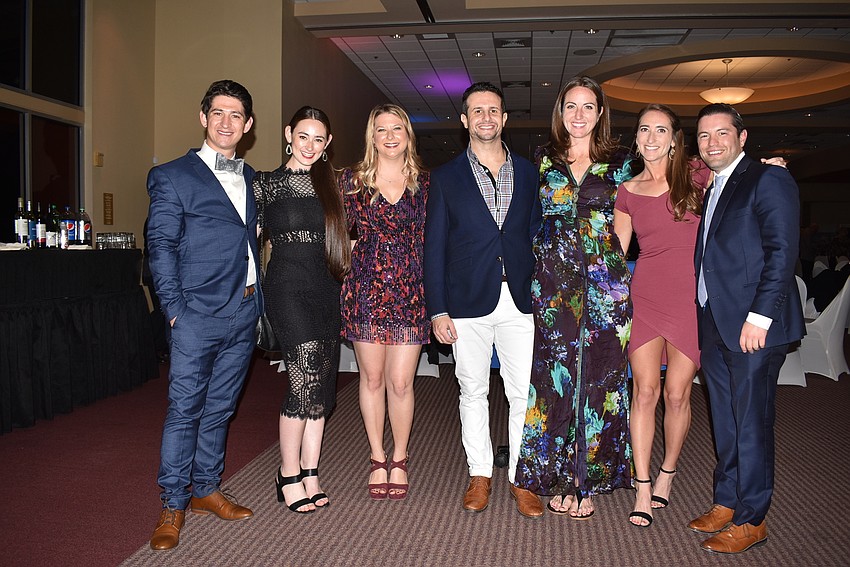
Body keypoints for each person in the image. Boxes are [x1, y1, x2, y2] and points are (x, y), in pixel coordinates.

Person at [146, 80, 262, 550]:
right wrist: (174, 311)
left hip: (246, 307)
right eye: (218, 113)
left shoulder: (252, 177)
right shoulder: (172, 175)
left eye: (236, 115)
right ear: (203, 117)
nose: (226, 122)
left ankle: (206, 489)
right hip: (196, 313)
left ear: (248, 125)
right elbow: (160, 246)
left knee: (220, 408)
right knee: (185, 410)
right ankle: (173, 503)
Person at [513, 76, 634, 520]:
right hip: (554, 285)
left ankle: (590, 479)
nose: (579, 115)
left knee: (600, 379)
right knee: (555, 377)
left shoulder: (622, 161)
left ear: (600, 113)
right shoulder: (543, 160)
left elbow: (661, 188)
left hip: (606, 286)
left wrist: (612, 265)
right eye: (571, 107)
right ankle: (559, 476)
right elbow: (528, 220)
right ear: (560, 113)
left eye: (588, 107)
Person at [424, 82, 543, 518]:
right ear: (464, 120)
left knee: (522, 394)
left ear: (504, 118)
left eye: (493, 110)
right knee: (471, 390)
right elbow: (433, 246)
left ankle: (519, 477)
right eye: (477, 111)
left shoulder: (530, 173)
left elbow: (534, 236)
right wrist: (437, 308)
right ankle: (479, 474)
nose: (486, 118)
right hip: (466, 302)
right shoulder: (445, 176)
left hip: (520, 300)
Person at [689, 103, 803, 554]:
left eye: (721, 133)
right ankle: (727, 500)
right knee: (726, 418)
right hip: (715, 321)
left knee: (751, 421)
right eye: (703, 136)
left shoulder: (767, 179)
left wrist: (760, 316)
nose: (712, 142)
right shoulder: (713, 185)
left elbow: (781, 251)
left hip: (752, 325)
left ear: (742, 136)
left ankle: (753, 518)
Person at [613, 104, 709, 527]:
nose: (650, 138)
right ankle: (643, 484)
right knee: (645, 392)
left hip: (691, 298)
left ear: (674, 138)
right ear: (636, 139)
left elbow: (741, 180)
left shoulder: (697, 177)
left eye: (660, 130)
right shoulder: (627, 190)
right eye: (643, 130)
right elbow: (615, 252)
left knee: (677, 394)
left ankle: (668, 471)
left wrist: (770, 168)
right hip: (646, 296)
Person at [253, 107, 350, 513]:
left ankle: (311, 472)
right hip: (286, 287)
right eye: (303, 136)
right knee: (302, 378)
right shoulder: (265, 185)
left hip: (326, 289)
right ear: (289, 133)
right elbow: (246, 240)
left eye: (319, 139)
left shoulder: (334, 186)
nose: (309, 146)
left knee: (321, 385)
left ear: (327, 144)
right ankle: (287, 472)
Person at [340, 103, 430, 501]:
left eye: (398, 128)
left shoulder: (426, 184)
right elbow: (338, 235)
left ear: (408, 135)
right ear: (371, 137)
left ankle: (400, 456)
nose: (390, 135)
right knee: (372, 379)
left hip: (411, 291)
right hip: (365, 290)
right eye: (382, 129)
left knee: (400, 382)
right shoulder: (351, 182)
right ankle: (378, 458)